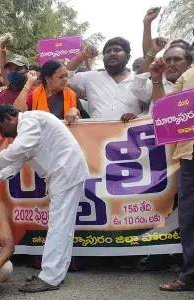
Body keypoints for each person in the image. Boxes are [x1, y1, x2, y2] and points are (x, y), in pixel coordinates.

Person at [0, 105, 89, 293]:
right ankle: (54, 274)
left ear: (8, 118)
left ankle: (50, 278)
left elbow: (15, 152)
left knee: (59, 227)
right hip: (62, 174)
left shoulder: (30, 121)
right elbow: (18, 161)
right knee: (62, 227)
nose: (3, 135)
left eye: (1, 129)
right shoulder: (26, 129)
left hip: (66, 173)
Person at [146, 59, 194, 291]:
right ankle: (190, 276)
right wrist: (156, 78)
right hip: (190, 156)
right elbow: (163, 111)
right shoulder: (188, 77)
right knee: (189, 219)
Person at [66, 37, 152, 122]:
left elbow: (150, 106)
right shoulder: (91, 77)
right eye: (108, 51)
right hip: (97, 134)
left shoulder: (139, 81)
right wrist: (81, 56)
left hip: (130, 133)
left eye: (117, 50)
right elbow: (66, 77)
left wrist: (137, 117)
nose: (112, 54)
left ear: (128, 57)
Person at [12, 59, 81, 124]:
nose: (65, 79)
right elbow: (18, 110)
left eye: (66, 76)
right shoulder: (35, 94)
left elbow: (85, 122)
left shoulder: (71, 94)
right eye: (61, 77)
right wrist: (29, 81)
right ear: (48, 79)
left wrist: (75, 111)